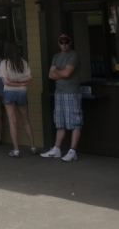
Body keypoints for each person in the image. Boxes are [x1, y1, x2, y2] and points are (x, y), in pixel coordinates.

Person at [40, 34, 82, 162]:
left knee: (75, 122)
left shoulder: (73, 56)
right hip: (59, 92)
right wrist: (61, 72)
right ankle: (56, 149)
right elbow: (50, 75)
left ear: (70, 42)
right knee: (60, 122)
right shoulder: (56, 56)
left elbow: (67, 73)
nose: (64, 45)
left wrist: (58, 71)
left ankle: (72, 151)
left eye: (66, 42)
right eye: (62, 43)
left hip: (71, 93)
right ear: (59, 43)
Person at [0, 41, 37, 157]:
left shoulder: (4, 63)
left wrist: (13, 82)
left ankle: (16, 150)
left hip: (9, 92)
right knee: (26, 121)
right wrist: (21, 82)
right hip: (22, 92)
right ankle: (33, 147)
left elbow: (6, 81)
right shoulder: (23, 62)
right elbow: (30, 78)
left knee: (12, 122)